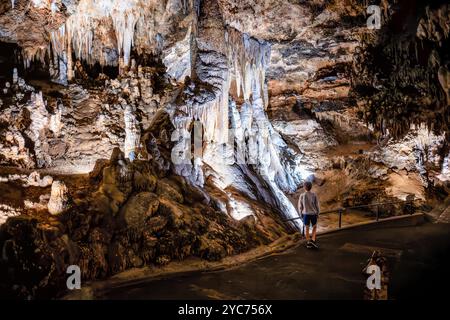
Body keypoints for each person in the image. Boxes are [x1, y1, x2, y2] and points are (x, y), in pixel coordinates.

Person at [298, 181, 320, 249]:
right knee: (314, 227)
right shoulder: (314, 194)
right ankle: (313, 240)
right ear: (311, 187)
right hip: (313, 213)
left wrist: (300, 214)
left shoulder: (302, 195)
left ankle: (308, 242)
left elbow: (300, 206)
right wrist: (318, 213)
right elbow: (317, 205)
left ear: (304, 187)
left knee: (307, 228)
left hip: (305, 214)